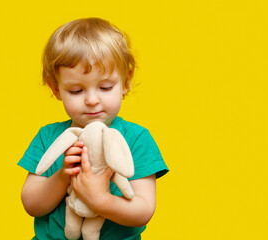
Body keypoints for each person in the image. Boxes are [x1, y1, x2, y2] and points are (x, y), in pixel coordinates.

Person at [18, 17, 169, 240]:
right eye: (76, 91)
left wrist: (101, 200)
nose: (91, 100)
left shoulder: (137, 139)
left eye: (105, 87)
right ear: (56, 88)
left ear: (125, 82)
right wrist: (62, 177)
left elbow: (143, 211)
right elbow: (31, 204)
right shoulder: (47, 137)